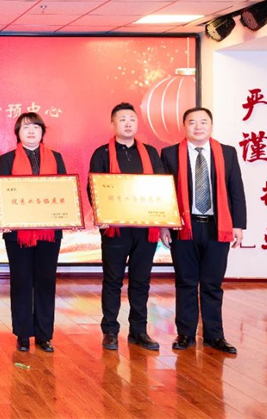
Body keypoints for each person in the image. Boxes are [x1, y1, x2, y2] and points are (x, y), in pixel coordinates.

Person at [160, 108, 246, 354]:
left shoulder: (227, 153)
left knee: (212, 284)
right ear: (184, 126)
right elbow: (164, 192)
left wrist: (238, 225)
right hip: (183, 227)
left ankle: (214, 336)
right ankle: (185, 334)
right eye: (192, 122)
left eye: (203, 122)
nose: (198, 127)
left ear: (211, 126)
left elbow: (236, 190)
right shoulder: (169, 154)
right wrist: (164, 224)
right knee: (185, 282)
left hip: (217, 227)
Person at [88, 103, 165, 352]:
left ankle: (139, 331)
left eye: (132, 119)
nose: (128, 123)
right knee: (113, 281)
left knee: (141, 281)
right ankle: (110, 330)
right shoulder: (102, 154)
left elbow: (162, 187)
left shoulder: (151, 153)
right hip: (116, 230)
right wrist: (102, 214)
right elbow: (94, 188)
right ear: (113, 124)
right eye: (122, 119)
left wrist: (164, 220)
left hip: (145, 229)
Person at [0, 112, 66, 353]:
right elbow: (1, 193)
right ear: (17, 133)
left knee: (46, 281)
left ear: (42, 131)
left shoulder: (56, 158)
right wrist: (4, 218)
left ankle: (45, 335)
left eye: (36, 127)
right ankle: (23, 334)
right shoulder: (7, 159)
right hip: (17, 233)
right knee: (21, 281)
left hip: (49, 232)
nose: (31, 131)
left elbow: (64, 191)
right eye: (25, 127)